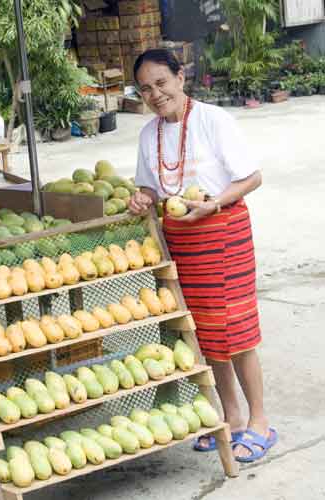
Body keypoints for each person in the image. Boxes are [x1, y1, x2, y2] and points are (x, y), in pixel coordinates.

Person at [129, 48, 277, 463]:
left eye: (161, 82)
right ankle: (231, 417)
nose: (156, 94)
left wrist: (212, 204)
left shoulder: (214, 120)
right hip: (183, 240)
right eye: (145, 89)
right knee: (205, 331)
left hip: (223, 231)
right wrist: (141, 199)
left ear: (180, 77)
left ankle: (261, 422)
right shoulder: (148, 135)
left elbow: (252, 177)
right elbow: (151, 189)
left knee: (237, 330)